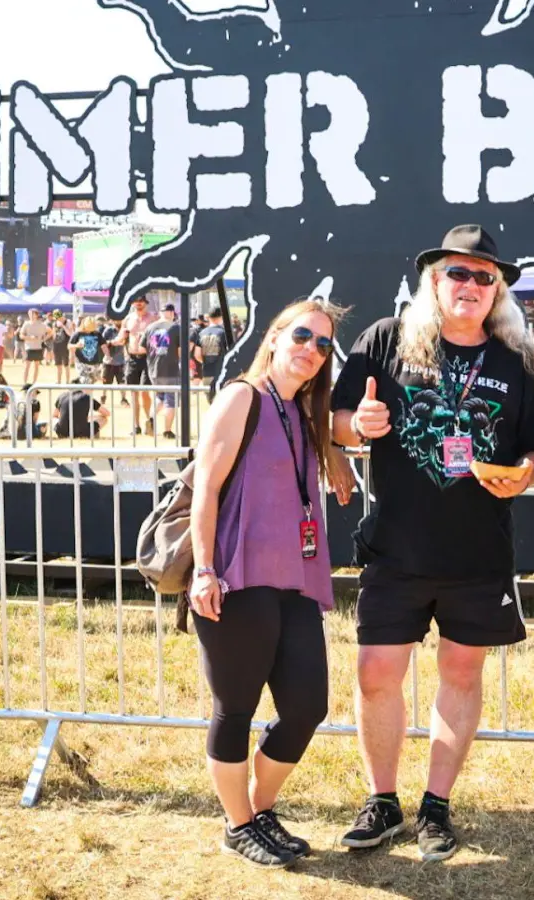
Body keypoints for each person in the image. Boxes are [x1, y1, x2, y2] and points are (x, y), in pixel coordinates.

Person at [331, 225, 534, 862]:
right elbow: (340, 418)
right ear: (435, 281)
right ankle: (381, 800)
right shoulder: (387, 340)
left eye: (486, 278)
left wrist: (527, 474)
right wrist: (357, 425)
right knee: (377, 673)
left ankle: (436, 806)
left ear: (498, 291)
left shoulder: (515, 360)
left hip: (477, 555)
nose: (472, 287)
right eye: (459, 273)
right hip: (396, 549)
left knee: (461, 672)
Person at [187, 297, 353, 868]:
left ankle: (257, 810)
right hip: (238, 576)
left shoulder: (304, 412)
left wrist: (337, 456)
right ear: (277, 336)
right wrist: (205, 569)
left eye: (324, 344)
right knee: (235, 707)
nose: (312, 350)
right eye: (304, 336)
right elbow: (205, 488)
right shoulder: (242, 397)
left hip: (296, 581)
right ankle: (238, 825)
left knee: (307, 706)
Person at [143, 303, 185, 439]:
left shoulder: (150, 327)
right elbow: (180, 351)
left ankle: (150, 419)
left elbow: (143, 348)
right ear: (172, 313)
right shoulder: (176, 327)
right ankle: (167, 430)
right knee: (171, 401)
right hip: (171, 369)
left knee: (159, 397)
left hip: (154, 370)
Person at [119, 297, 155, 430]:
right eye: (136, 302)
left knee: (145, 392)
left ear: (146, 303)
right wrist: (113, 341)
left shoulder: (153, 318)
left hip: (147, 358)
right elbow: (121, 337)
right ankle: (136, 425)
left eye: (141, 302)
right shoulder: (128, 319)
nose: (139, 304)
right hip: (132, 358)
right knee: (133, 393)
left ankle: (149, 422)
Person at [197, 311, 231, 388]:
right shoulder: (224, 332)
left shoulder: (202, 333)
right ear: (220, 317)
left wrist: (206, 361)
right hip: (222, 373)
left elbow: (197, 354)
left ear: (209, 318)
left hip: (207, 372)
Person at [70, 316, 106, 384]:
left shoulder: (97, 334)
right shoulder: (78, 333)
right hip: (81, 362)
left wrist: (107, 355)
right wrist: (76, 345)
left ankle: (78, 384)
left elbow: (103, 345)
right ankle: (81, 387)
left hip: (94, 363)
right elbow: (69, 345)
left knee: (92, 380)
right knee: (86, 381)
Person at [18, 308, 50, 386]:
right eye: (29, 314)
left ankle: (34, 383)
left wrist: (44, 338)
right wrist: (30, 338)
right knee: (27, 366)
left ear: (36, 315)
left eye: (32, 314)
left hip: (38, 347)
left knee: (36, 366)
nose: (30, 315)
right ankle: (25, 383)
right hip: (28, 348)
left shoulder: (42, 324)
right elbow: (21, 335)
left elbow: (51, 331)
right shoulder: (26, 324)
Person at [50, 313, 73, 383]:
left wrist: (63, 326)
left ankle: (67, 381)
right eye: (56, 318)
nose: (58, 319)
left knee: (66, 365)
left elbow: (70, 333)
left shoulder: (68, 322)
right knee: (58, 365)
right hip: (57, 346)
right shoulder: (54, 324)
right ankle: (58, 380)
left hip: (65, 346)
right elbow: (53, 335)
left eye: (59, 317)